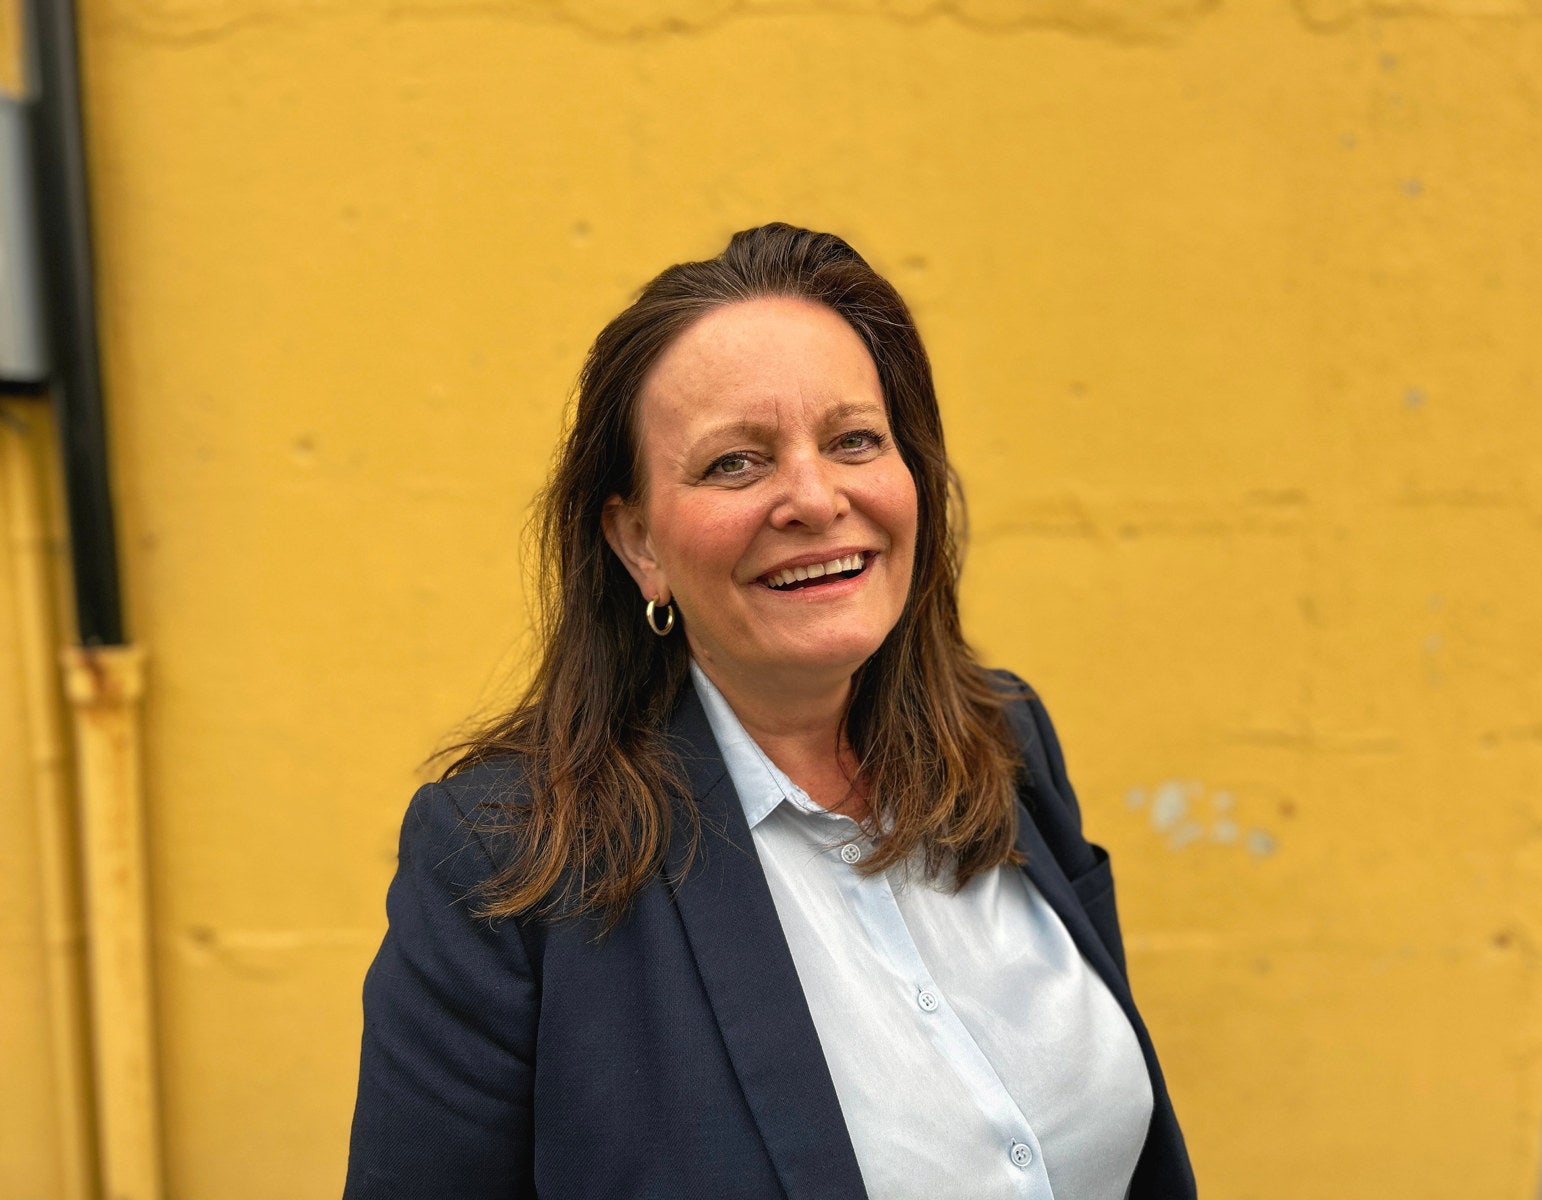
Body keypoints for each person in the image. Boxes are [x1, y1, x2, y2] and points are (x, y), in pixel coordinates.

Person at [344, 223, 1195, 1200]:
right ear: (638, 543)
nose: (814, 499)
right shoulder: (507, 859)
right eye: (735, 464)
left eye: (853, 441)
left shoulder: (1005, 744)